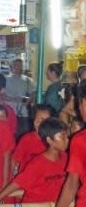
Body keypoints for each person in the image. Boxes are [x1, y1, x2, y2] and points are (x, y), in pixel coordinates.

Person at [0, 118, 68, 204]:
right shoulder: (37, 163)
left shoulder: (66, 158)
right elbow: (16, 184)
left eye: (66, 136)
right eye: (62, 137)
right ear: (49, 140)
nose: (67, 139)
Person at [56, 79, 86, 207]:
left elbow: (71, 183)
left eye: (79, 103)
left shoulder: (80, 140)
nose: (79, 109)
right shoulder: (79, 139)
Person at [11, 103, 54, 174]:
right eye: (36, 118)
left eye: (42, 120)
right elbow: (14, 160)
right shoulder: (27, 139)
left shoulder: (54, 141)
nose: (38, 122)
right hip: (26, 180)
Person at [4, 58, 35, 137]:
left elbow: (32, 94)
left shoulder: (28, 80)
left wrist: (27, 102)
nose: (19, 67)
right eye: (17, 65)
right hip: (10, 112)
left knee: (23, 134)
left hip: (23, 113)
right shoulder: (6, 79)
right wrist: (14, 99)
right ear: (12, 66)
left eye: (21, 65)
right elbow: (2, 95)